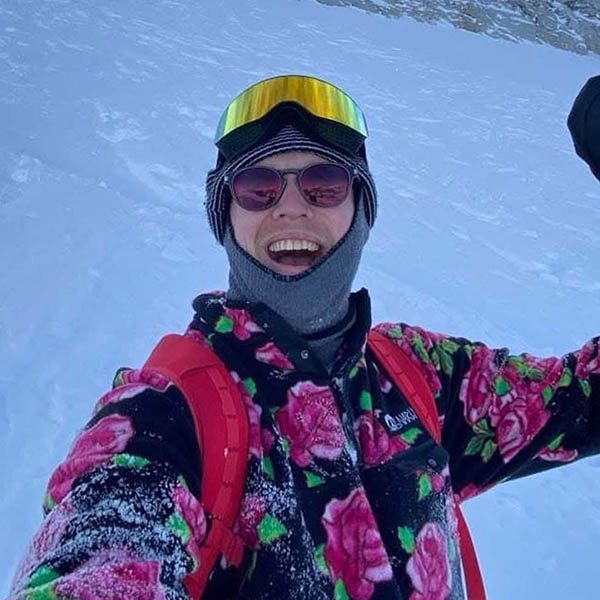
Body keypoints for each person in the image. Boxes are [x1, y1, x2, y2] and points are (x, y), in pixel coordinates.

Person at [8, 74, 600, 600]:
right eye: (257, 187)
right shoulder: (163, 417)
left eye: (324, 182)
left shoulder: (419, 373)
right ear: (225, 216)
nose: (291, 207)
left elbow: (584, 400)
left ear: (361, 209)